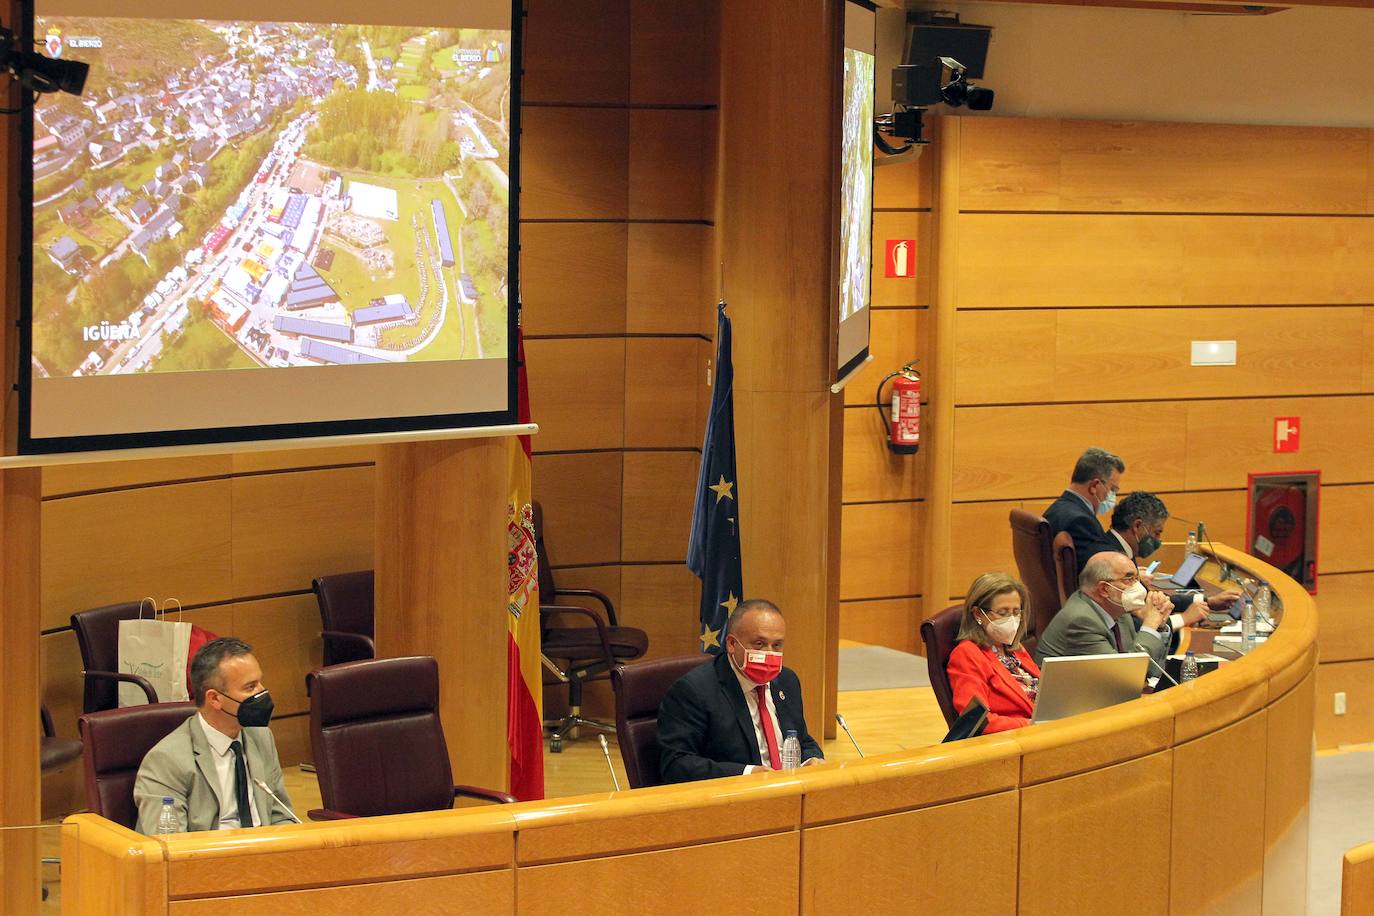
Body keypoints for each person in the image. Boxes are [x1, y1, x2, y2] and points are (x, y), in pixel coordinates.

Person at [134, 637, 293, 834]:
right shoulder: (166, 760)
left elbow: (281, 815)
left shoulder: (261, 737)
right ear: (215, 699)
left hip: (264, 856)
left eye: (260, 683)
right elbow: (170, 847)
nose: (262, 693)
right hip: (209, 858)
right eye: (250, 687)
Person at [658, 599, 823, 783]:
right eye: (759, 643)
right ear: (731, 644)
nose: (769, 653)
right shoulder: (694, 691)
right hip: (732, 799)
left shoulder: (787, 680)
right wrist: (747, 774)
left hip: (788, 793)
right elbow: (676, 764)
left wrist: (812, 760)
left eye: (777, 645)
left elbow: (802, 739)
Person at [1109, 491, 1240, 627]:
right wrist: (1183, 619)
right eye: (1157, 532)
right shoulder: (1113, 558)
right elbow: (1131, 624)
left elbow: (1150, 602)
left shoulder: (1123, 551)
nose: (1158, 540)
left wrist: (1208, 601)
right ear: (1137, 526)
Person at [1033, 552, 1169, 675]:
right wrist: (1150, 625)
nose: (1137, 586)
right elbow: (1125, 675)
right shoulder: (1080, 620)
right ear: (1104, 589)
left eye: (1137, 578)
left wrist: (1159, 626)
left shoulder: (1120, 612)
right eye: (1129, 579)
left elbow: (1152, 672)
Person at [946, 573, 1041, 733]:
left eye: (1016, 612)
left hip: (1045, 730)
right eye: (1003, 613)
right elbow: (976, 720)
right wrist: (1030, 724)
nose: (1012, 620)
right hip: (1013, 740)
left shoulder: (1015, 650)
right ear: (978, 614)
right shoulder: (967, 654)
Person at [1044, 447, 1126, 578]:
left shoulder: (1057, 509)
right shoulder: (1080, 522)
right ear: (1094, 486)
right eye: (1112, 489)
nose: (1113, 497)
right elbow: (1103, 575)